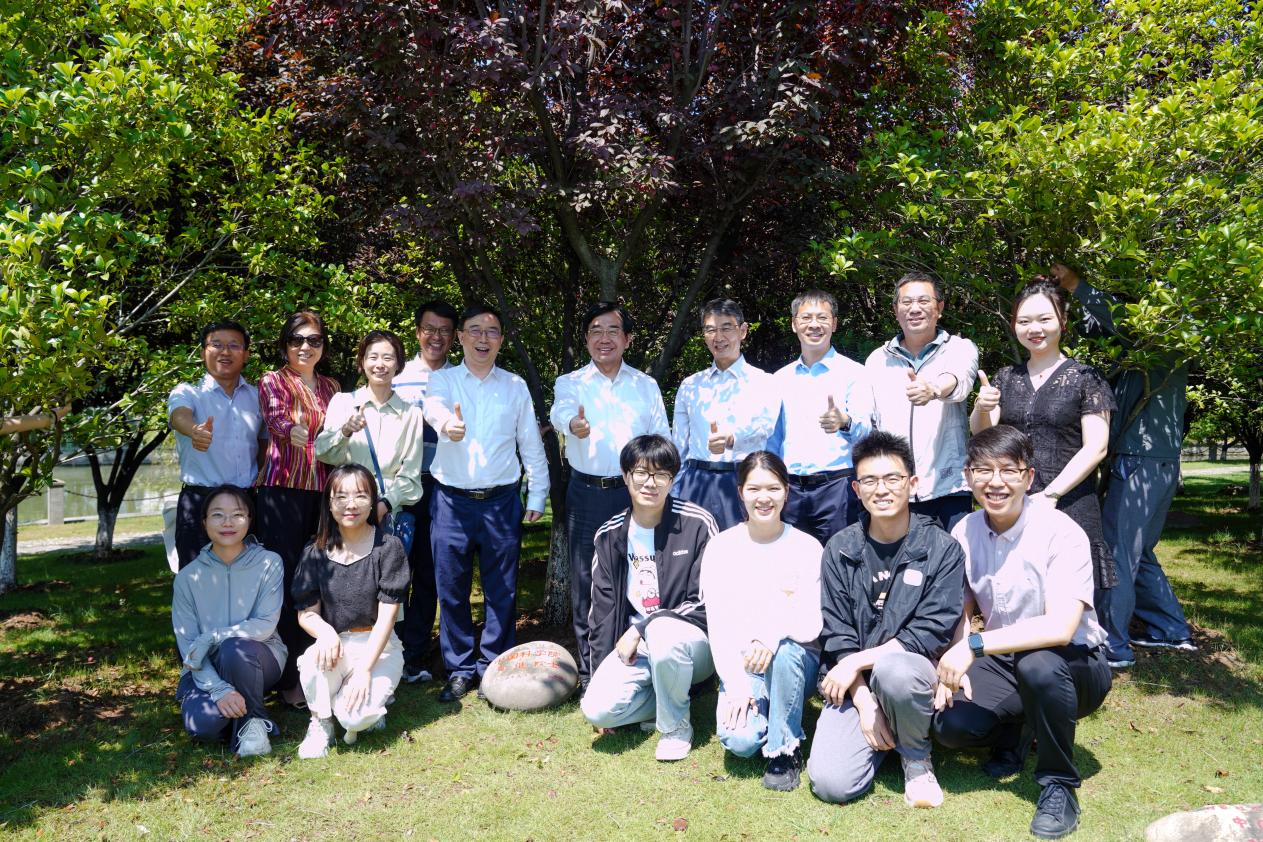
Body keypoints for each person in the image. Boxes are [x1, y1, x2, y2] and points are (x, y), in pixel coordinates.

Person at [933, 425, 1112, 839]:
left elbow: (1061, 627)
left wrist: (974, 646)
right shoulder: (964, 531)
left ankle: (1059, 785)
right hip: (1003, 658)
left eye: (1008, 471)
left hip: (1075, 663)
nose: (995, 482)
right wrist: (954, 660)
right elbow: (963, 608)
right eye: (983, 471)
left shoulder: (1061, 531)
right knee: (951, 726)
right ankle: (1017, 730)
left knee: (1038, 665)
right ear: (968, 477)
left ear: (1028, 478)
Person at [807, 431, 964, 808]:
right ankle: (886, 728)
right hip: (856, 683)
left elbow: (929, 632)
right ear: (856, 489)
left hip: (911, 675)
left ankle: (915, 757)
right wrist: (863, 701)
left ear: (912, 483)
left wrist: (856, 662)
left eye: (892, 478)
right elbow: (837, 633)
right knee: (832, 784)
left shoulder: (942, 548)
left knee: (895, 670)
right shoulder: (840, 548)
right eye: (870, 481)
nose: (881, 489)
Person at [1054, 263, 1196, 667]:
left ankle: (1113, 645)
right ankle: (1170, 629)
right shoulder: (1152, 349)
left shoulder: (1160, 337)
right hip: (1155, 461)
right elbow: (1103, 330)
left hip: (1140, 461)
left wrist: (1076, 284)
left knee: (1118, 552)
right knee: (1139, 551)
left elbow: (1118, 322)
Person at [423, 304, 549, 702]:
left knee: (502, 590)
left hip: (501, 502)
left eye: (491, 331)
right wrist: (448, 424)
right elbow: (433, 408)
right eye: (474, 330)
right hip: (451, 502)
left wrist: (538, 492)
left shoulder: (514, 386)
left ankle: (494, 666)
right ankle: (460, 669)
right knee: (452, 589)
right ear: (460, 337)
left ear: (501, 340)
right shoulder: (442, 381)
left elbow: (530, 442)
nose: (483, 338)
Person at [549, 303, 670, 689]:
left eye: (613, 330)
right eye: (596, 330)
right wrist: (574, 424)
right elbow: (559, 413)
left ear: (627, 339)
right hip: (587, 494)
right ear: (586, 338)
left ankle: (639, 666)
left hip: (638, 496)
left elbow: (662, 437)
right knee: (587, 581)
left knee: (642, 576)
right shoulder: (571, 383)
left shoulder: (645, 385)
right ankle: (591, 672)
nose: (604, 338)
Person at [971, 280, 1119, 592]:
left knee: (1070, 596)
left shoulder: (1086, 378)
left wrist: (1052, 494)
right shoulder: (1006, 378)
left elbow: (1097, 447)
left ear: (1062, 321)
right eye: (1024, 321)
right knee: (1018, 592)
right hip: (1014, 502)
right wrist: (982, 407)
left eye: (1044, 319)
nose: (1034, 329)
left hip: (1070, 502)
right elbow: (984, 436)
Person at [580, 435, 715, 761]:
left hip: (692, 643)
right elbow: (601, 615)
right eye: (641, 473)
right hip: (638, 649)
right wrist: (596, 676)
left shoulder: (698, 523)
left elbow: (707, 602)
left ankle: (675, 727)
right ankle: (669, 697)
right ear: (626, 476)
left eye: (661, 475)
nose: (650, 483)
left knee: (663, 632)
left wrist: (643, 627)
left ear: (673, 479)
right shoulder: (609, 535)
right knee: (596, 709)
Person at [701, 451, 822, 791]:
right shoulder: (721, 548)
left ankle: (785, 749)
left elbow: (811, 622)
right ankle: (770, 709)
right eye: (754, 489)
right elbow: (719, 627)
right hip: (746, 667)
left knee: (784, 651)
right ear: (740, 492)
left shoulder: (807, 548)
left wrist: (770, 637)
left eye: (773, 488)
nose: (764, 498)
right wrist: (737, 686)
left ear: (787, 491)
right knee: (739, 742)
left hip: (794, 662)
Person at [293, 464, 410, 758]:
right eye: (341, 497)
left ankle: (367, 702)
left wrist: (364, 670)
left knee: (355, 718)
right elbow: (306, 613)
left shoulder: (389, 548)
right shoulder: (315, 552)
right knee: (311, 663)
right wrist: (326, 633)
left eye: (360, 495)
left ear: (372, 501)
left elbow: (387, 618)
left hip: (379, 646)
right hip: (337, 646)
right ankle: (321, 723)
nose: (351, 504)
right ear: (329, 503)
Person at [255, 311, 341, 707]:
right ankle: (288, 678)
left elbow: (338, 434)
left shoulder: (332, 387)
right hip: (283, 492)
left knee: (320, 580)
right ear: (285, 345)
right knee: (287, 581)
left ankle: (324, 669)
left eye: (314, 340)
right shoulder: (273, 380)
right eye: (296, 339)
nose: (305, 347)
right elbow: (276, 420)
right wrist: (293, 431)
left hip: (323, 493)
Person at [172, 486, 286, 758]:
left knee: (234, 648)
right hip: (206, 666)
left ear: (249, 519)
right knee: (203, 725)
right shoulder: (187, 578)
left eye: (237, 514)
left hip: (257, 656)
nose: (228, 522)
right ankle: (239, 709)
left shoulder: (269, 562)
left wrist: (212, 637)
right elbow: (189, 645)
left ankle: (253, 723)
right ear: (204, 522)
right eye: (218, 515)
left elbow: (265, 624)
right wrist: (219, 689)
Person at [866, 272, 979, 532]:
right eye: (906, 302)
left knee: (954, 557)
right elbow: (870, 422)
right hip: (895, 490)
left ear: (939, 308)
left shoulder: (959, 348)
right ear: (895, 311)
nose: (914, 308)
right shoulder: (877, 360)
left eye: (923, 301)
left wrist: (934, 389)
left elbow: (959, 380)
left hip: (949, 488)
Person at [767, 289, 876, 545]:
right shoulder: (779, 379)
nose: (814, 325)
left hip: (838, 487)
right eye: (806, 318)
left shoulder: (855, 373)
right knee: (791, 560)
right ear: (794, 324)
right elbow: (773, 439)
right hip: (790, 489)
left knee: (841, 558)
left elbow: (868, 435)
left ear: (834, 324)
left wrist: (845, 422)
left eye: (822, 318)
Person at [392, 299, 460, 684]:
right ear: (418, 332)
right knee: (394, 569)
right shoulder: (396, 375)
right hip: (402, 483)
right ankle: (391, 649)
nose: (436, 337)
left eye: (444, 331)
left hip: (441, 486)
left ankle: (415, 655)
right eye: (430, 329)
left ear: (454, 336)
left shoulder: (459, 379)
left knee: (430, 571)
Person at [671, 299, 776, 531]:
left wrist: (732, 438)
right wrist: (674, 493)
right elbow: (679, 446)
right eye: (710, 330)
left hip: (743, 480)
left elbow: (765, 426)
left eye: (726, 328)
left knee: (742, 549)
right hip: (696, 481)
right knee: (694, 549)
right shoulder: (690, 385)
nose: (718, 337)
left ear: (743, 331)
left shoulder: (764, 382)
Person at [167, 320, 266, 568]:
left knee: (247, 576)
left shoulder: (258, 397)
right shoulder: (187, 392)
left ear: (246, 354)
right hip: (200, 503)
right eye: (217, 345)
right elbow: (179, 416)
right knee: (196, 578)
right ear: (203, 353)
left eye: (234, 345)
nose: (225, 352)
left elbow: (263, 442)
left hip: (246, 503)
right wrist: (194, 431)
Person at [316, 329, 426, 522]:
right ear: (362, 362)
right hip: (346, 507)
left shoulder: (411, 414)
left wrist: (384, 506)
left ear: (399, 364)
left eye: (388, 358)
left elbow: (411, 476)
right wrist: (345, 431)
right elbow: (323, 453)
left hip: (389, 510)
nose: (380, 364)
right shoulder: (343, 402)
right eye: (373, 357)